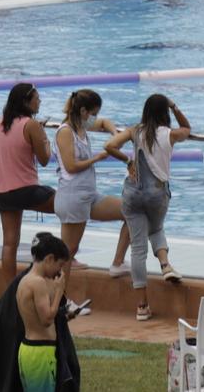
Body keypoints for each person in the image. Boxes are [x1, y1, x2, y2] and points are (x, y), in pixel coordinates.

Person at [103, 93, 192, 320]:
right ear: (164, 112)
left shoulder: (136, 130)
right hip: (156, 194)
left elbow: (110, 145)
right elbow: (187, 129)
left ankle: (142, 306)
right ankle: (165, 264)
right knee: (157, 228)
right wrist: (175, 105)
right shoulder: (169, 134)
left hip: (132, 193)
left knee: (138, 250)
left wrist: (128, 161)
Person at [0, 231, 77, 392]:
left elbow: (38, 315)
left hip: (30, 349)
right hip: (40, 351)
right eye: (60, 265)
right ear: (49, 259)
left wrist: (63, 313)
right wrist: (60, 291)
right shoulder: (37, 283)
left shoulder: (24, 281)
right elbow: (46, 319)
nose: (59, 271)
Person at [52, 89, 130, 277]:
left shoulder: (82, 126)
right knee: (68, 253)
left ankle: (118, 263)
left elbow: (104, 122)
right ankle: (58, 299)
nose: (95, 118)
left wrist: (114, 134)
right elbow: (70, 166)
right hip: (72, 197)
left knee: (131, 210)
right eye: (93, 113)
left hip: (89, 195)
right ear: (83, 111)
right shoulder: (65, 132)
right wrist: (99, 158)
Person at [0, 84, 56, 280]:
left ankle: (9, 294)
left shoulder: (1, 122)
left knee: (9, 243)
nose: (40, 101)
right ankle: (68, 251)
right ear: (26, 102)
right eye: (37, 98)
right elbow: (45, 159)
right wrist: (44, 137)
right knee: (69, 206)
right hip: (26, 190)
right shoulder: (32, 125)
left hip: (2, 190)